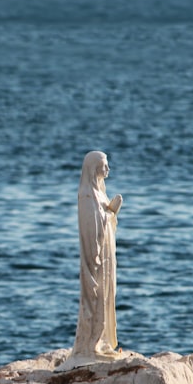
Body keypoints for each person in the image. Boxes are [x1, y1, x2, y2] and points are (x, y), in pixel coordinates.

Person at [58, 150, 123, 370]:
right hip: (96, 259)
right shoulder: (87, 195)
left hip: (106, 256)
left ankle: (103, 342)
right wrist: (109, 214)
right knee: (96, 297)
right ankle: (91, 345)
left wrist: (112, 212)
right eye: (104, 165)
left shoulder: (100, 193)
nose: (108, 170)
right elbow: (91, 229)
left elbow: (104, 221)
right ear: (94, 168)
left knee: (107, 296)